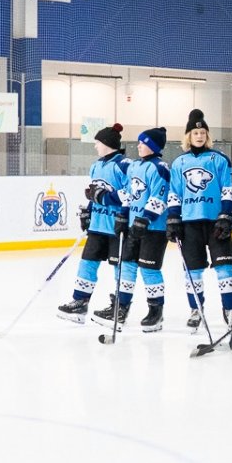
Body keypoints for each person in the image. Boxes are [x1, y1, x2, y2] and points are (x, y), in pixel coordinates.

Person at [168, 109, 232, 332]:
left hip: (216, 223)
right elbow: (174, 193)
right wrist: (173, 218)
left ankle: (230, 309)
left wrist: (226, 216)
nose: (199, 136)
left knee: (225, 268)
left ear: (207, 135)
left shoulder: (219, 159)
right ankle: (196, 310)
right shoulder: (179, 162)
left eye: (203, 132)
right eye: (195, 133)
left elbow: (227, 190)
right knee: (193, 271)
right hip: (190, 224)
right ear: (188, 136)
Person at [60, 124, 131, 324]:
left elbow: (130, 194)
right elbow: (95, 194)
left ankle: (120, 306)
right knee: (87, 263)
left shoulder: (125, 165)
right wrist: (88, 211)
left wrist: (109, 201)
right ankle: (80, 302)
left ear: (106, 143)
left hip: (117, 227)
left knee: (119, 268)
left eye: (97, 143)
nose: (95, 146)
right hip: (97, 226)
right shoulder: (96, 166)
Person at [124, 126, 171, 332]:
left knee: (149, 269)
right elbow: (128, 194)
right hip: (134, 226)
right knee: (127, 265)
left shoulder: (160, 168)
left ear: (153, 146)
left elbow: (160, 197)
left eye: (143, 143)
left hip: (154, 228)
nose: (138, 146)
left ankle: (155, 311)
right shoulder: (134, 166)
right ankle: (121, 306)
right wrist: (122, 215)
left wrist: (146, 218)